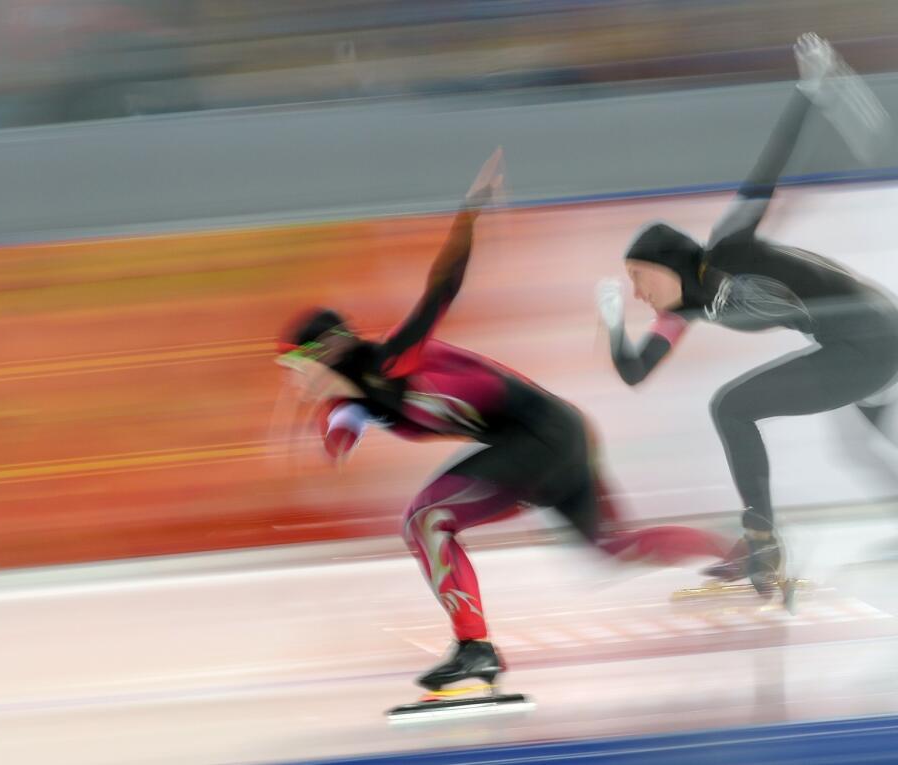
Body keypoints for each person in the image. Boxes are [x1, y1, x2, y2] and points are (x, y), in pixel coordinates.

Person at [274, 149, 728, 706]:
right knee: (613, 547)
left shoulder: (391, 359)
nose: (296, 384)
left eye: (299, 369)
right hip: (556, 435)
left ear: (329, 354)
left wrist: (468, 216)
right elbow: (338, 436)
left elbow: (440, 289)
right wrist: (319, 431)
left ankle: (474, 648)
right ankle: (735, 553)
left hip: (540, 436)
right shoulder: (352, 401)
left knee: (425, 519)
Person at [596, 34, 898, 596]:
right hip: (866, 334)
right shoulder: (684, 312)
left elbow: (768, 171)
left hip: (867, 334)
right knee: (888, 439)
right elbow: (636, 372)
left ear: (667, 265)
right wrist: (612, 322)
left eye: (638, 278)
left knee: (731, 407)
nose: (636, 292)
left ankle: (763, 541)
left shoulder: (727, 247)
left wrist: (808, 90)